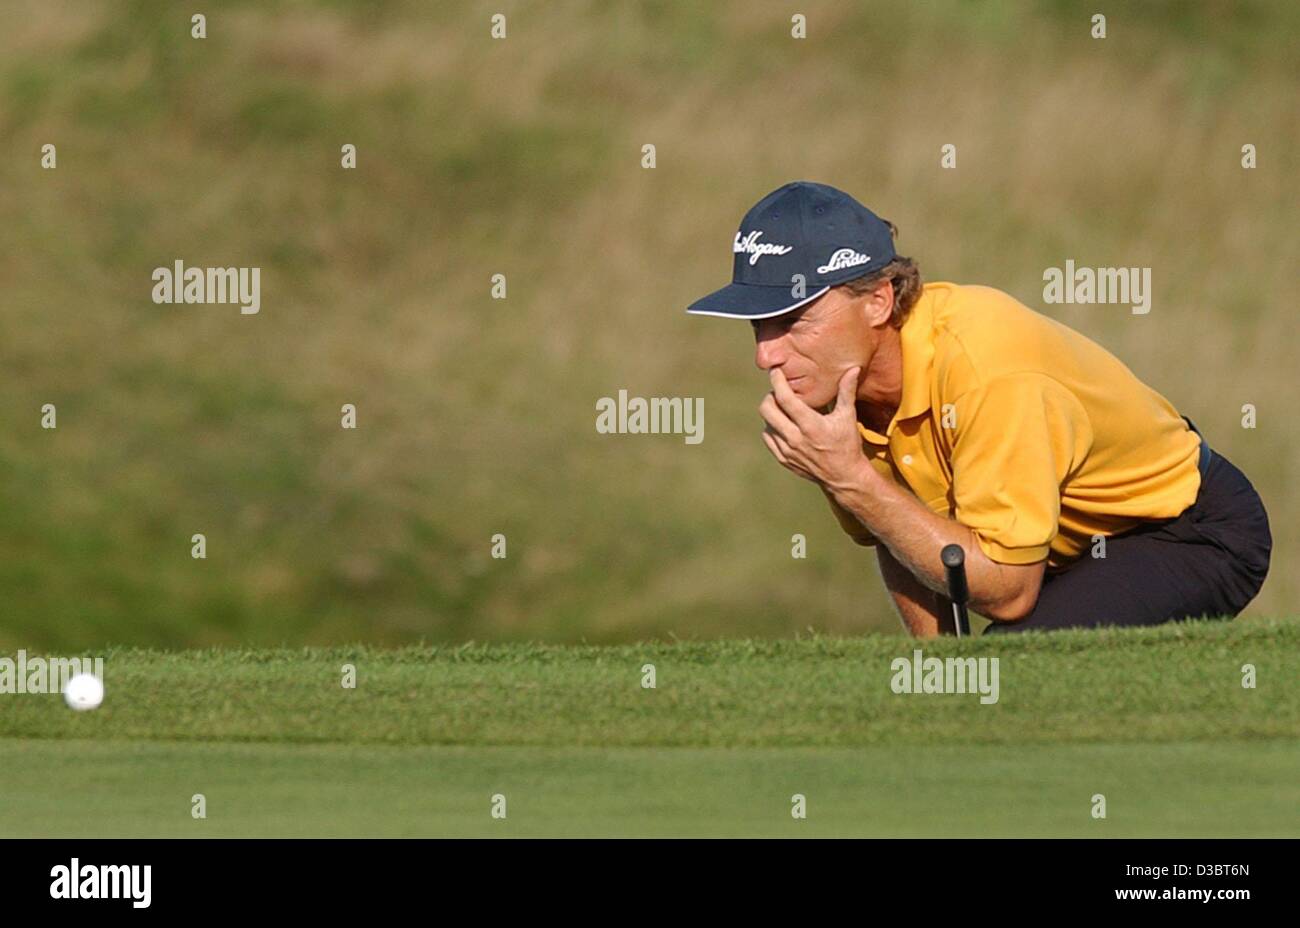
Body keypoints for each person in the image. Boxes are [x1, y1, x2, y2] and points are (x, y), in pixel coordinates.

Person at [686, 181, 1271, 636]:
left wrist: (852, 480)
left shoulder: (987, 370)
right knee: (981, 683)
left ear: (878, 302)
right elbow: (901, 531)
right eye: (759, 325)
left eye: (794, 321)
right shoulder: (842, 389)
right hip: (1068, 551)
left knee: (1019, 674)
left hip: (1185, 530)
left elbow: (1008, 592)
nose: (767, 356)